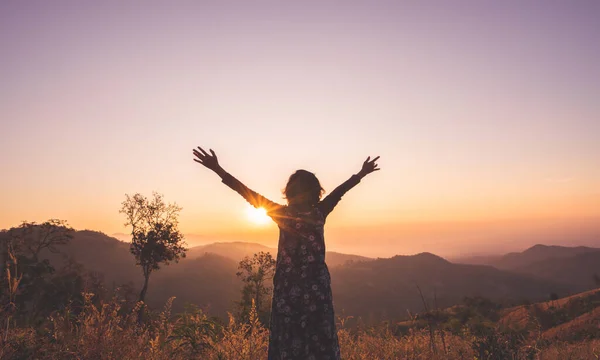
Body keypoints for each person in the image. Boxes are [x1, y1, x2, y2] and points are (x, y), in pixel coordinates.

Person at [193, 147, 380, 360]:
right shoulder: (314, 211)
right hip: (307, 287)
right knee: (314, 334)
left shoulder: (292, 213)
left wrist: (361, 174)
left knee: (292, 335)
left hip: (295, 287)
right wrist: (218, 170)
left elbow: (248, 194)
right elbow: (248, 193)